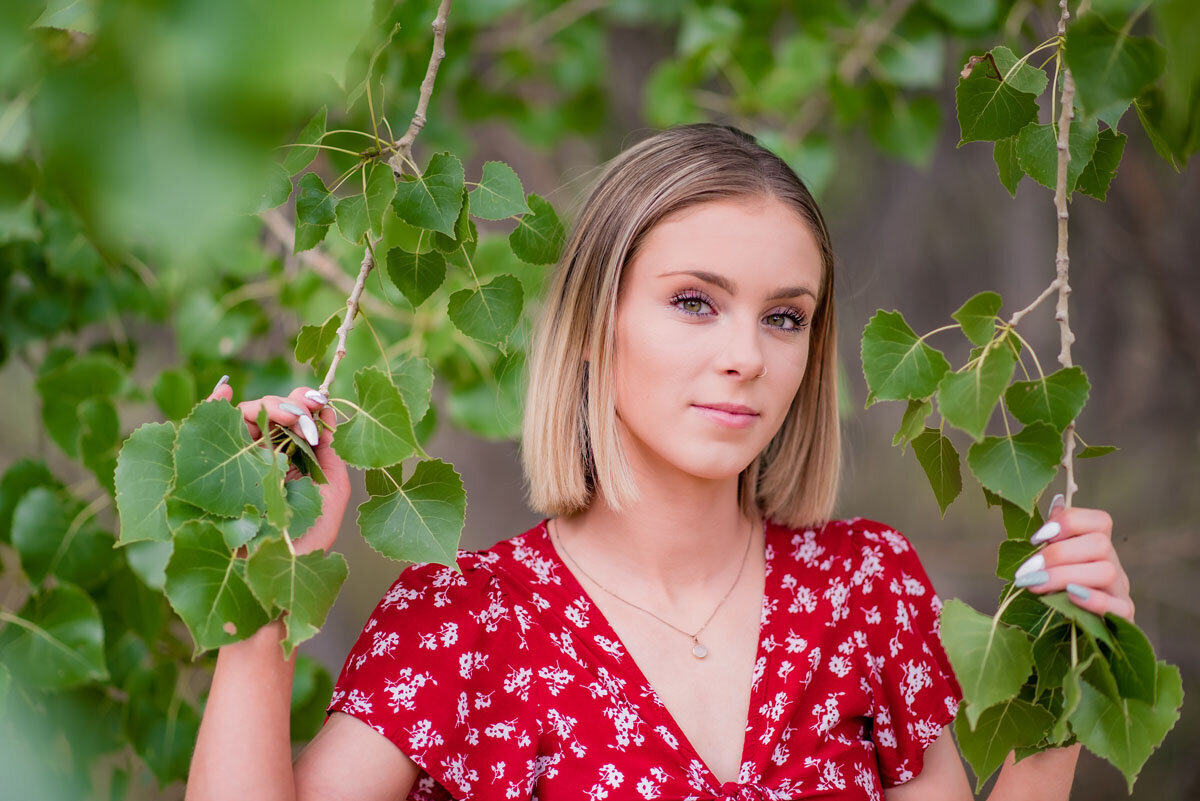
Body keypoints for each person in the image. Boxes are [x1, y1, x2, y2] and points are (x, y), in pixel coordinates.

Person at [186, 124, 1135, 801]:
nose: (747, 356)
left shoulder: (862, 589)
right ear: (597, 322)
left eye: (784, 316)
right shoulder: (463, 626)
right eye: (694, 301)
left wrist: (1069, 681)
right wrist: (263, 594)